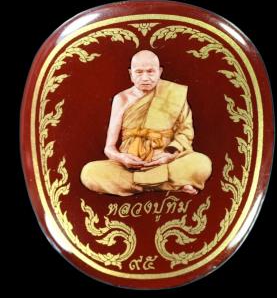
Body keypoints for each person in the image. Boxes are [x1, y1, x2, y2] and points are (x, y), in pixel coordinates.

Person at [81, 50, 212, 196]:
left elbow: (185, 132)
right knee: (89, 173)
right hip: (130, 167)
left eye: (150, 71)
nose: (145, 78)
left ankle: (139, 185)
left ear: (159, 72)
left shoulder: (174, 93)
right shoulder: (121, 99)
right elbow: (109, 148)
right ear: (131, 74)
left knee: (202, 163)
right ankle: (168, 185)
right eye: (139, 72)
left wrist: (169, 154)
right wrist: (122, 158)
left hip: (164, 161)